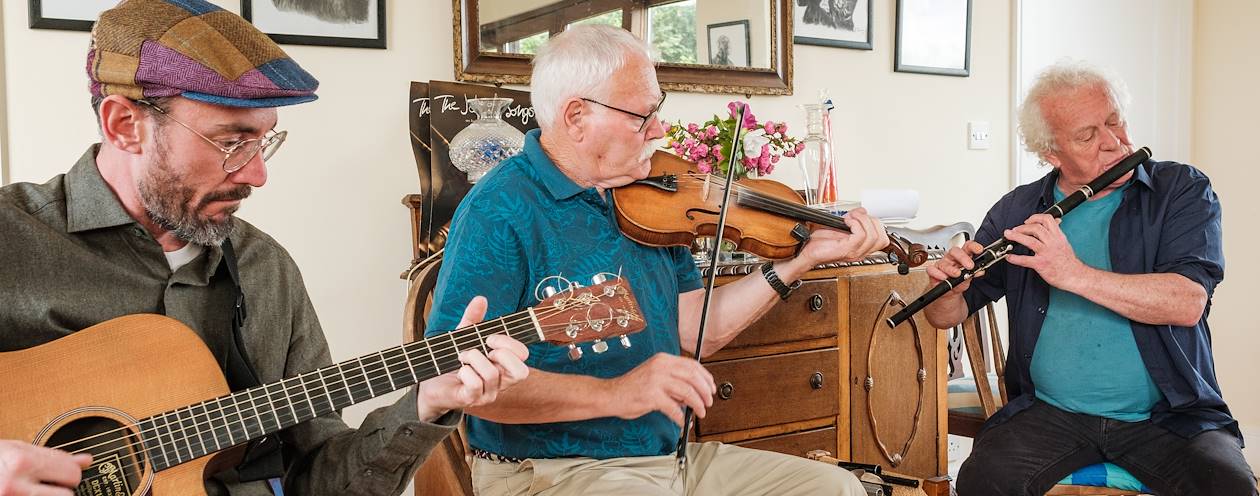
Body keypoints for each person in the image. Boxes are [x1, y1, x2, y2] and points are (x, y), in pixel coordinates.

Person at [0, 1, 528, 494]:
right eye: (231, 142)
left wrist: (427, 403)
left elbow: (318, 477)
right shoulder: (11, 240)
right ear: (125, 125)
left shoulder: (263, 268)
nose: (257, 173)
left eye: (264, 141)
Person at [427, 25, 889, 496]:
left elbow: (697, 329)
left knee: (835, 489)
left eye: (657, 110)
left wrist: (800, 260)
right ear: (576, 117)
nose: (659, 130)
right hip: (548, 470)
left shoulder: (652, 196)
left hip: (669, 462)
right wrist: (616, 393)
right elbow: (453, 378)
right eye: (641, 116)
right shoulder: (499, 209)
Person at [924, 60, 1257, 495]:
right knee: (981, 481)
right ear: (1051, 152)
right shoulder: (1019, 209)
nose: (1114, 142)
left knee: (1229, 485)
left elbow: (1186, 301)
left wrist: (1073, 273)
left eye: (1115, 121)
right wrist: (944, 288)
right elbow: (945, 315)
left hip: (1169, 415)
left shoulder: (1182, 190)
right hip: (1050, 413)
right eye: (1087, 135)